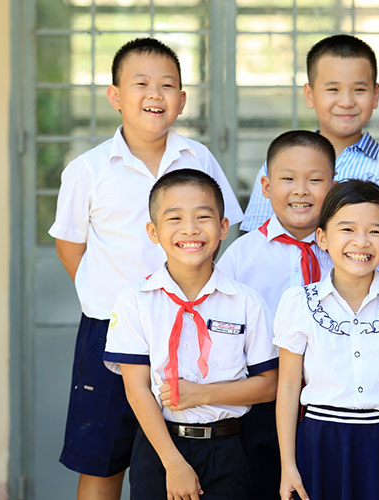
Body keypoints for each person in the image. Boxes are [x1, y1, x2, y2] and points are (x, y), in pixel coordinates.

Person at [48, 37, 243, 499]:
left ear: (181, 100)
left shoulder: (198, 159)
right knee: (103, 459)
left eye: (167, 85)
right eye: (141, 84)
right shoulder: (88, 169)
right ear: (116, 96)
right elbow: (69, 245)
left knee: (183, 455)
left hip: (190, 328)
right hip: (111, 331)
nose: (155, 95)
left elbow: (224, 226)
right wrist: (115, 302)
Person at [104, 169, 278, 500]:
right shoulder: (135, 299)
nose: (190, 229)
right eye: (175, 218)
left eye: (203, 216)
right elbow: (137, 389)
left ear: (224, 228)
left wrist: (202, 394)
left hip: (229, 448)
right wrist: (174, 464)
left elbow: (268, 385)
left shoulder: (246, 301)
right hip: (159, 448)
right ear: (153, 232)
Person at [274, 180, 379, 500]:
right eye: (347, 229)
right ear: (322, 238)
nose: (361, 242)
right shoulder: (299, 302)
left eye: (375, 231)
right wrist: (288, 465)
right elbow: (289, 387)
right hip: (320, 441)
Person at [215, 130, 337, 499]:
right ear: (266, 187)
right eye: (287, 179)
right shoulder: (241, 255)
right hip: (263, 403)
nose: (301, 190)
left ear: (333, 186)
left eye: (315, 180)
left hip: (333, 399)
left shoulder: (348, 249)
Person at [240, 34, 379, 232]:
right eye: (333, 89)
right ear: (309, 95)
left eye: (359, 89)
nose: (346, 102)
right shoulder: (279, 163)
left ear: (375, 95)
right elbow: (256, 237)